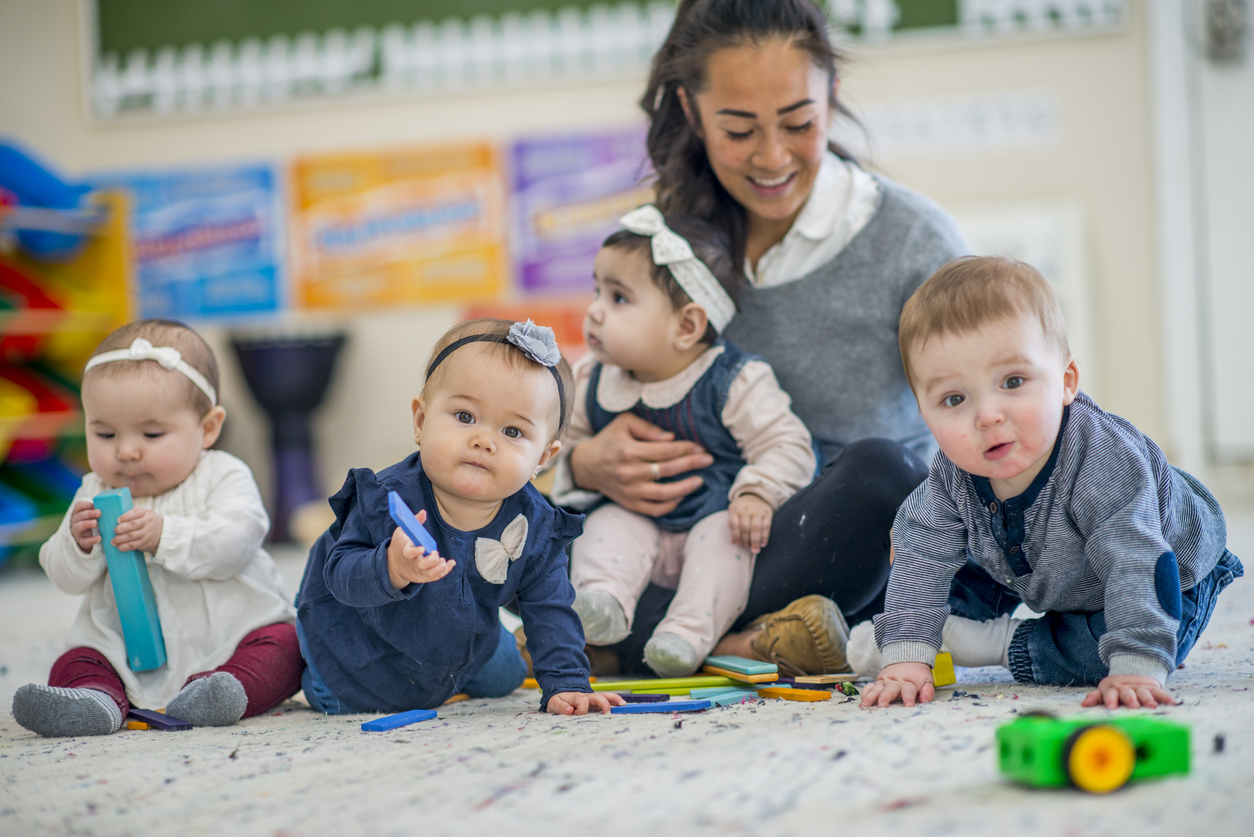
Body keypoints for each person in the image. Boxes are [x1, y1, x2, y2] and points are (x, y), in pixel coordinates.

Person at [552, 0, 969, 674]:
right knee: (526, 527)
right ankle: (742, 642)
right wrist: (583, 463)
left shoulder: (914, 242)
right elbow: (586, 388)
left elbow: (985, 413)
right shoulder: (666, 241)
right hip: (669, 539)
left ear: (831, 99)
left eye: (798, 123)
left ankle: (644, 639)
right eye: (739, 129)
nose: (772, 157)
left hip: (824, 544)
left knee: (885, 474)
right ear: (690, 111)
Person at [857, 256, 1244, 709]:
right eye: (954, 398)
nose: (987, 416)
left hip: (1163, 565)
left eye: (1013, 381)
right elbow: (920, 551)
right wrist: (905, 657)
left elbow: (1136, 560)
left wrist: (1135, 666)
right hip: (1036, 557)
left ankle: (1000, 642)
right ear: (924, 413)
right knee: (941, 559)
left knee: (1115, 653)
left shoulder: (1104, 462)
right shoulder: (952, 473)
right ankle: (922, 636)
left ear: (1066, 381)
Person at [295, 319, 623, 716]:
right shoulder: (387, 499)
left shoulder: (536, 525)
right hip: (364, 640)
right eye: (465, 416)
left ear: (543, 458)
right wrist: (391, 566)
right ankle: (289, 644)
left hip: (458, 637)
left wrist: (567, 682)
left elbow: (550, 607)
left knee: (507, 678)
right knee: (336, 696)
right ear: (421, 421)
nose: (484, 441)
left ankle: (491, 648)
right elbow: (340, 576)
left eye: (513, 431)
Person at [12, 320, 302, 737]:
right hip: (123, 648)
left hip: (230, 635)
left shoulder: (222, 474)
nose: (126, 451)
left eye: (151, 433)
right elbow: (64, 576)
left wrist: (165, 536)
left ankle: (219, 694)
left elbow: (238, 539)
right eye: (105, 433)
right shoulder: (92, 491)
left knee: (288, 647)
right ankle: (98, 701)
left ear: (207, 429)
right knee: (77, 658)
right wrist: (77, 543)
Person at [563, 206, 816, 677]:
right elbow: (552, 449)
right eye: (598, 290)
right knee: (606, 525)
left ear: (686, 326)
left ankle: (684, 636)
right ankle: (602, 603)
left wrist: (757, 490)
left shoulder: (734, 380)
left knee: (726, 545)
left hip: (713, 516)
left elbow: (788, 445)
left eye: (618, 297)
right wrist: (579, 460)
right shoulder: (591, 379)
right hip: (636, 523)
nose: (594, 309)